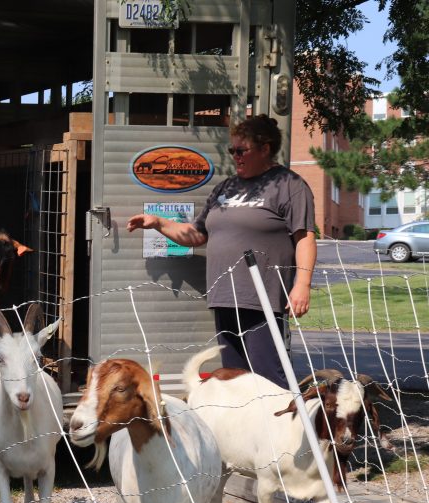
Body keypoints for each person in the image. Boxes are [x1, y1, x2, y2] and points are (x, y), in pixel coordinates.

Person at [127, 115, 316, 389]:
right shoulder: (225, 188)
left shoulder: (289, 185)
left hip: (263, 299)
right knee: (234, 381)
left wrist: (302, 284)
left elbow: (305, 238)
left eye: (242, 150)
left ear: (265, 149)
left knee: (269, 381)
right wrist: (158, 223)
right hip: (225, 297)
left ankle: (284, 429)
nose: (235, 156)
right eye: (232, 151)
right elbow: (197, 235)